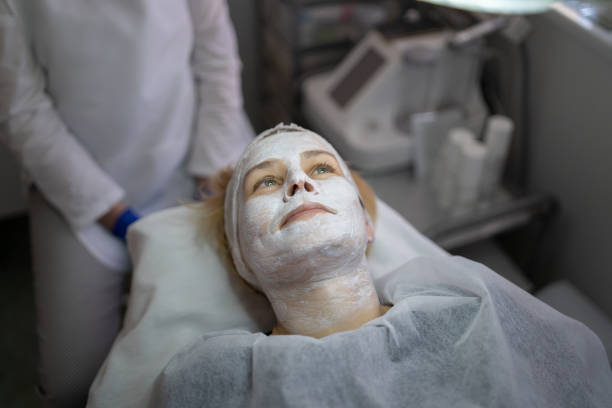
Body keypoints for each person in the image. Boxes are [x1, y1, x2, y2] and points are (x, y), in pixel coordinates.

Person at [153, 124, 612, 407]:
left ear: (367, 226)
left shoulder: (468, 305)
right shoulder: (217, 380)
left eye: (322, 170)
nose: (298, 182)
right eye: (266, 182)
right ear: (241, 259)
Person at [0, 0, 253, 406]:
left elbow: (217, 59)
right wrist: (118, 218)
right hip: (77, 184)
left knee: (232, 336)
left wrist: (210, 181)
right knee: (71, 385)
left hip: (192, 158)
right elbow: (22, 111)